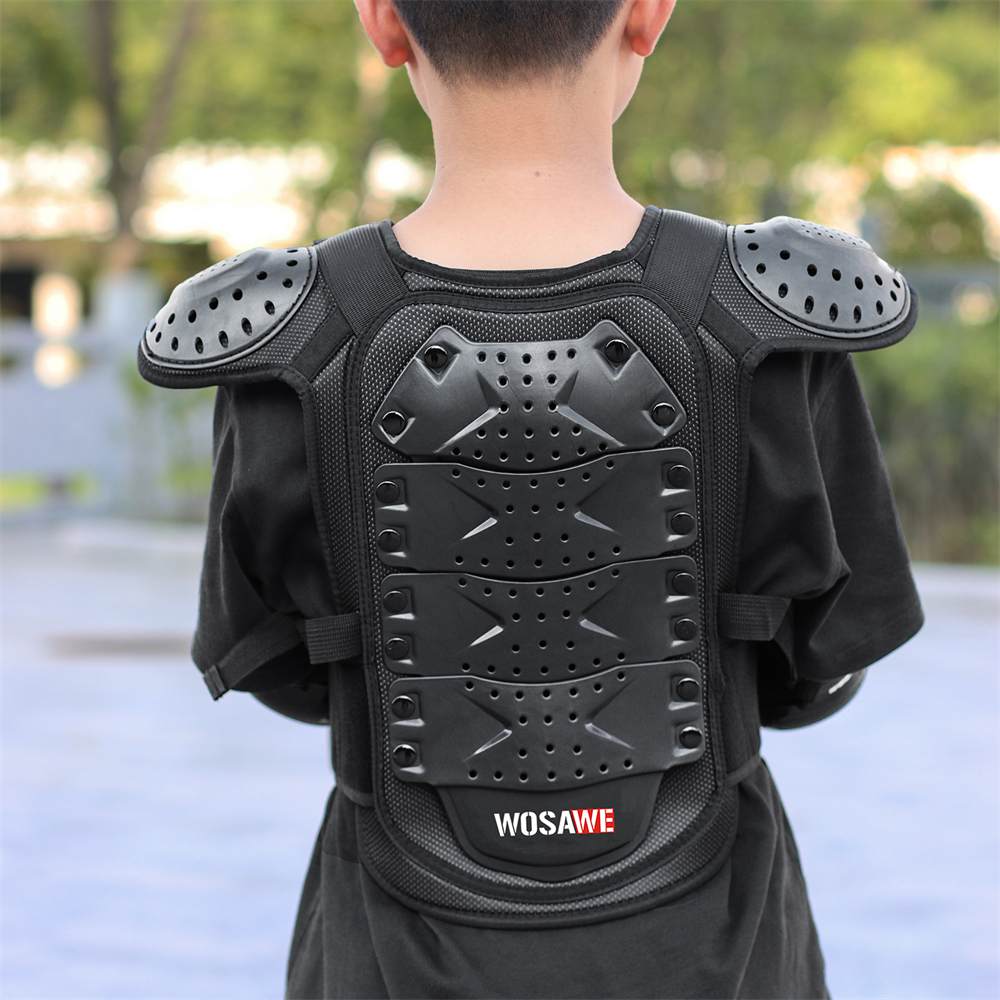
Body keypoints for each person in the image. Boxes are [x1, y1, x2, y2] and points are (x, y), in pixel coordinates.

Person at [138, 2, 923, 997]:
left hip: (395, 944)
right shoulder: (766, 320)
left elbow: (279, 668)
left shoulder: (293, 346)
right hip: (712, 944)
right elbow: (819, 669)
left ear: (383, 23)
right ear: (647, 14)